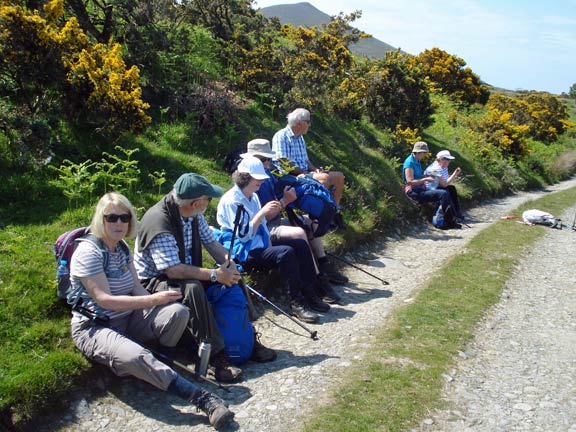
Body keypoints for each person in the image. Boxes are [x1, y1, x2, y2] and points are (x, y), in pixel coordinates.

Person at [69, 192, 233, 429]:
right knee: (136, 356)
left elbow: (136, 288)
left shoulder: (122, 248)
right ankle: (203, 399)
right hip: (96, 325)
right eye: (111, 217)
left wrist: (159, 301)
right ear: (100, 219)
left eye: (124, 218)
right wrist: (151, 301)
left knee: (178, 312)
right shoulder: (89, 252)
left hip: (128, 317)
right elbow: (104, 300)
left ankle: (155, 366)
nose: (118, 223)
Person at [135, 174, 276, 384]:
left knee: (232, 276)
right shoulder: (159, 222)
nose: (209, 203)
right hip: (156, 281)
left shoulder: (192, 213)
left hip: (184, 271)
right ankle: (214, 358)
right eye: (208, 199)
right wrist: (213, 274)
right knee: (192, 289)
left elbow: (212, 244)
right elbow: (173, 271)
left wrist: (229, 264)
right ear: (195, 202)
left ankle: (246, 338)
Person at [216, 156, 331, 324]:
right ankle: (296, 302)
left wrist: (267, 241)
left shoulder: (252, 196)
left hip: (258, 244)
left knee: (299, 243)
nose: (262, 181)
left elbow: (262, 227)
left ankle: (310, 291)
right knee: (286, 252)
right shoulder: (232, 201)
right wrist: (261, 213)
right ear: (245, 177)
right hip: (243, 251)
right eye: (258, 178)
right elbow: (242, 235)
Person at [241, 138, 346, 303]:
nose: (268, 162)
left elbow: (279, 198)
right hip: (265, 227)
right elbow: (262, 218)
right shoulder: (251, 184)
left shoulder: (267, 174)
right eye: (263, 159)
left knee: (310, 222)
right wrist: (285, 202)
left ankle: (323, 265)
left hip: (274, 220)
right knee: (299, 232)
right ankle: (316, 280)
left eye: (269, 158)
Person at [272, 108, 346, 213]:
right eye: (308, 121)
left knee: (339, 176)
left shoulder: (300, 138)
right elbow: (283, 161)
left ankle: (333, 210)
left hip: (304, 173)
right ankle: (320, 212)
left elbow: (306, 160)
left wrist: (315, 170)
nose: (309, 125)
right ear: (299, 123)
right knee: (324, 179)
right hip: (290, 177)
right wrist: (304, 172)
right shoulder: (281, 136)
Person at [402, 141, 461, 229]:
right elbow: (409, 181)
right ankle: (449, 221)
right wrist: (426, 179)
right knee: (443, 193)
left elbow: (417, 177)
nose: (425, 155)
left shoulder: (416, 160)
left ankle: (451, 218)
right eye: (424, 153)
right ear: (418, 152)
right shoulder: (409, 163)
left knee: (446, 191)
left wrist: (426, 176)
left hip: (420, 189)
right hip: (413, 191)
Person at [424, 150, 463, 218]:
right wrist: (455, 174)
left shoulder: (444, 167)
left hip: (437, 186)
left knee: (451, 188)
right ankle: (451, 215)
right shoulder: (435, 168)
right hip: (430, 189)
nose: (449, 161)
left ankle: (457, 212)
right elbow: (444, 184)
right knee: (446, 192)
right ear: (441, 159)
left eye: (449, 159)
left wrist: (454, 175)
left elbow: (445, 182)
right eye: (447, 159)